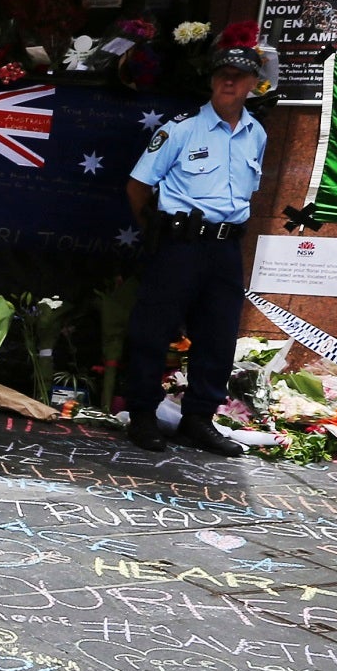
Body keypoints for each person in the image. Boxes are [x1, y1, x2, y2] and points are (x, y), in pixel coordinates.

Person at [122, 24, 272, 457]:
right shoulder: (182, 129)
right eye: (223, 73)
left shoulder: (256, 133)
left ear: (252, 84)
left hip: (225, 248)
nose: (229, 81)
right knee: (154, 331)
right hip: (180, 245)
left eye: (239, 76)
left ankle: (199, 419)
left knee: (218, 335)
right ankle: (143, 417)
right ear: (211, 79)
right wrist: (157, 231)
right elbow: (137, 186)